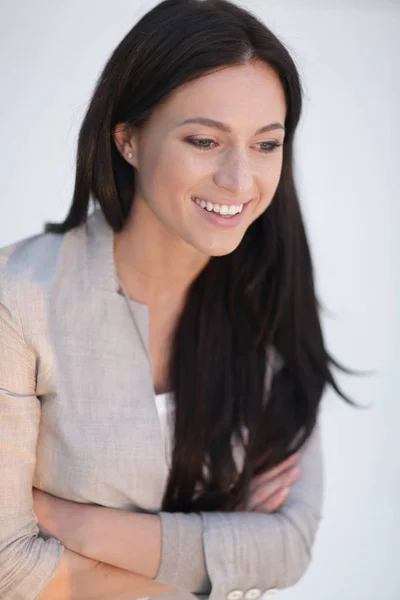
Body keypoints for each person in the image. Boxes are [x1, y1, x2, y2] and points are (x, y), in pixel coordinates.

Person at [0, 0, 353, 598]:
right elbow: (9, 568)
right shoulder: (20, 301)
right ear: (129, 139)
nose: (240, 182)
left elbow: (289, 547)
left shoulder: (271, 295)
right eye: (204, 140)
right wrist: (219, 550)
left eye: (266, 145)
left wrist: (75, 523)